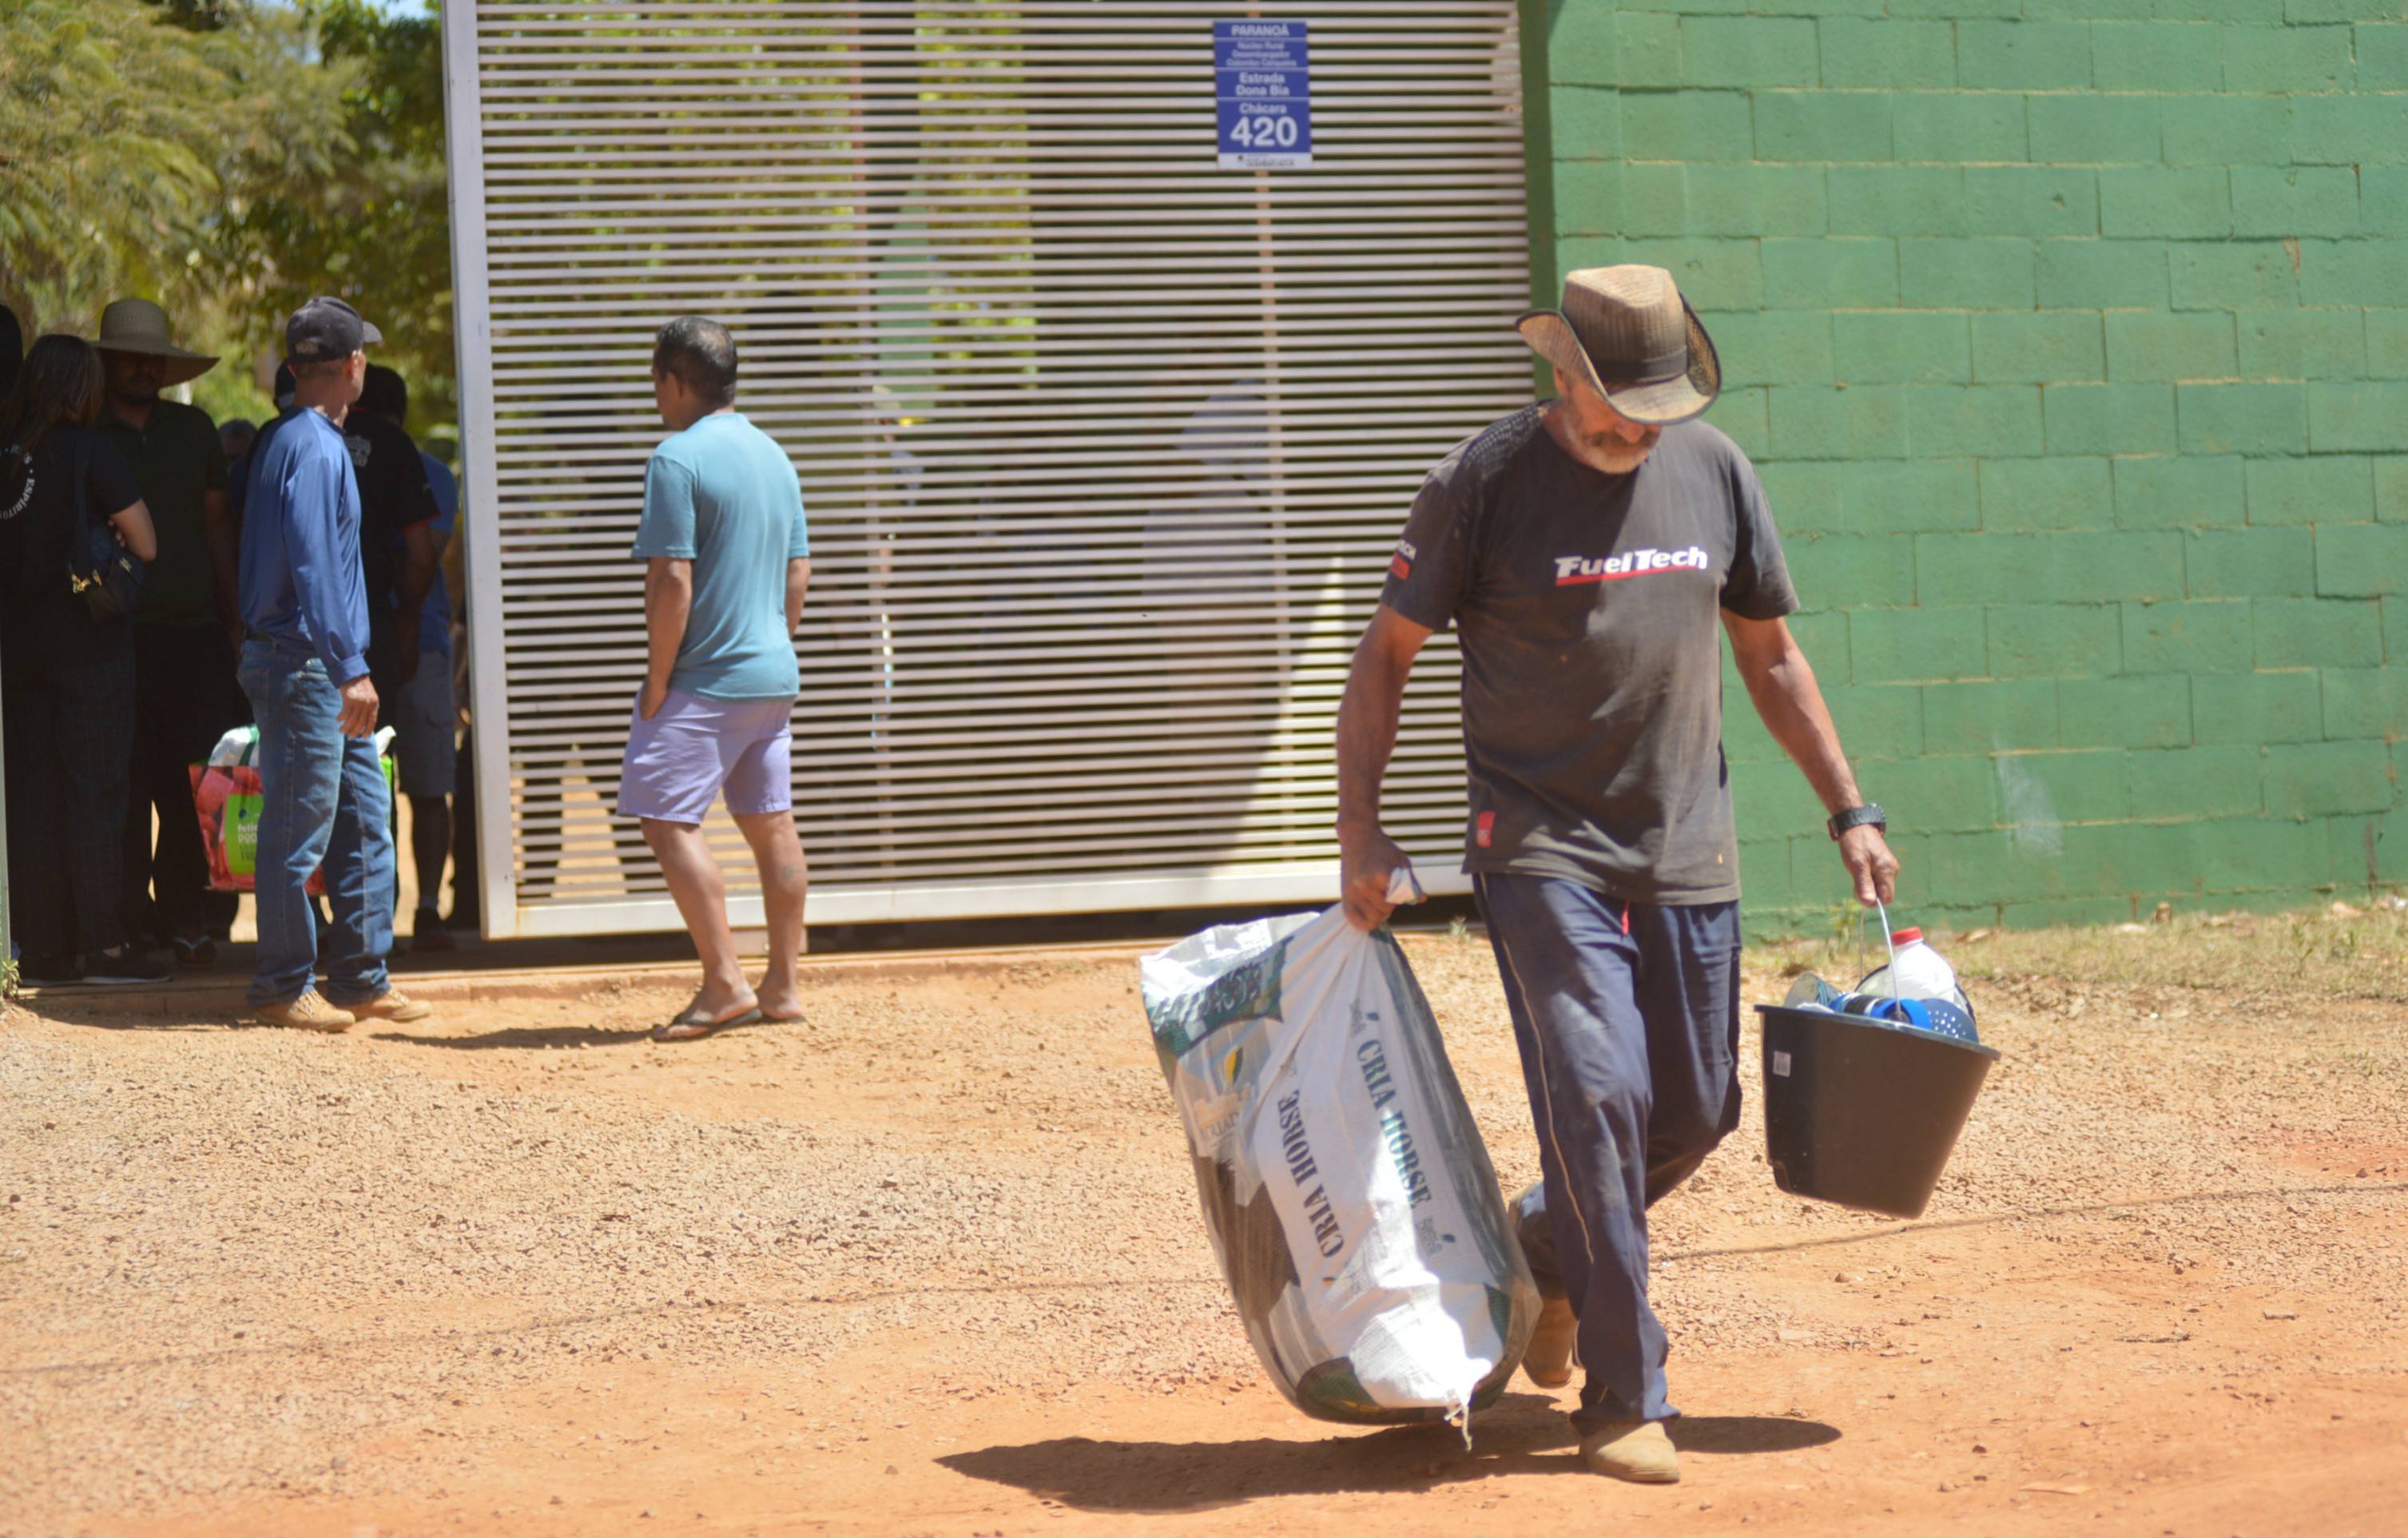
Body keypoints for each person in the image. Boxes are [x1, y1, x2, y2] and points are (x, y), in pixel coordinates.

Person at [1334, 266, 1900, 1484]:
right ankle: (1621, 1390)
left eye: (1651, 405)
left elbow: (1772, 657)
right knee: (1594, 1093)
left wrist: (1847, 804)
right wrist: (1361, 835)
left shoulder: (1715, 473)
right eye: (1610, 402)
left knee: (1694, 1110)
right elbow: (1382, 659)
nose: (1631, 427)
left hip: (1685, 839)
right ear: (1560, 373)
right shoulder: (1480, 484)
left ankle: (1542, 1238)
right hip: (1539, 844)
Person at [235, 297, 431, 1033]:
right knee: (300, 823)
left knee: (362, 817)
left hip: (312, 660)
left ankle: (359, 975)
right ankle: (283, 982)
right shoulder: (315, 448)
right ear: (356, 367)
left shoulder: (291, 439)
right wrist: (350, 664)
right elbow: (316, 565)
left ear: (292, 369)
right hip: (310, 662)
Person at [620, 316, 811, 1043]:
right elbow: (799, 570)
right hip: (771, 674)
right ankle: (785, 984)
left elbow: (671, 578)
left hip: (706, 676)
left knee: (665, 819)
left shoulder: (677, 458)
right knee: (771, 824)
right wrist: (775, 644)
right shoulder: (775, 455)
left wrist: (658, 679)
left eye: (656, 385)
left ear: (675, 382)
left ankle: (726, 982)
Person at [0, 334, 166, 985]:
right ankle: (103, 947)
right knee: (95, 790)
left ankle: (41, 948)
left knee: (32, 796)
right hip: (88, 647)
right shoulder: (89, 450)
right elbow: (147, 543)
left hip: (17, 647)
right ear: (82, 388)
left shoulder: (9, 453)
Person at [93, 298, 244, 968]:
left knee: (192, 788)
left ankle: (187, 919)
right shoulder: (84, 434)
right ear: (107, 363)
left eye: (155, 356)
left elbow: (218, 531)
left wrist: (236, 621)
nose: (145, 367)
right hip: (112, 640)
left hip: (196, 640)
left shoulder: (195, 429)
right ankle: (133, 926)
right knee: (123, 788)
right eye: (133, 356)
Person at [354, 365, 458, 951]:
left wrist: (408, 623)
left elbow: (426, 553)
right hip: (396, 643)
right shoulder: (420, 470)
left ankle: (426, 910)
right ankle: (386, 913)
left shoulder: (428, 473)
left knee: (422, 783)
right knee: (386, 786)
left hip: (420, 642)